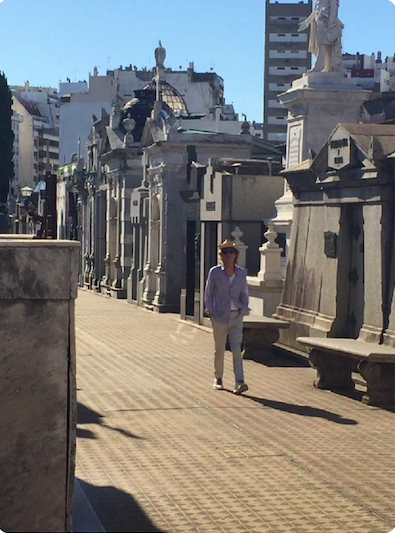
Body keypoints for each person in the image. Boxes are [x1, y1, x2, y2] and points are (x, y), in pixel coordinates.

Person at [204, 239, 250, 395]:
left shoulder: (241, 273)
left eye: (231, 252)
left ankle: (240, 382)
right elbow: (209, 293)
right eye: (225, 252)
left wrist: (243, 308)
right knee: (220, 349)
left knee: (237, 349)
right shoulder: (215, 272)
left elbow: (244, 292)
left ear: (236, 255)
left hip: (236, 315)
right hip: (219, 316)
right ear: (221, 255)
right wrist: (210, 310)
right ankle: (218, 378)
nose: (228, 255)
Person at [299, 0, 343, 73]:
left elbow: (333, 7)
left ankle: (318, 67)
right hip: (319, 23)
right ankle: (327, 67)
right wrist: (307, 22)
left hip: (326, 23)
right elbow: (316, 10)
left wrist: (330, 23)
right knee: (325, 46)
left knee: (322, 45)